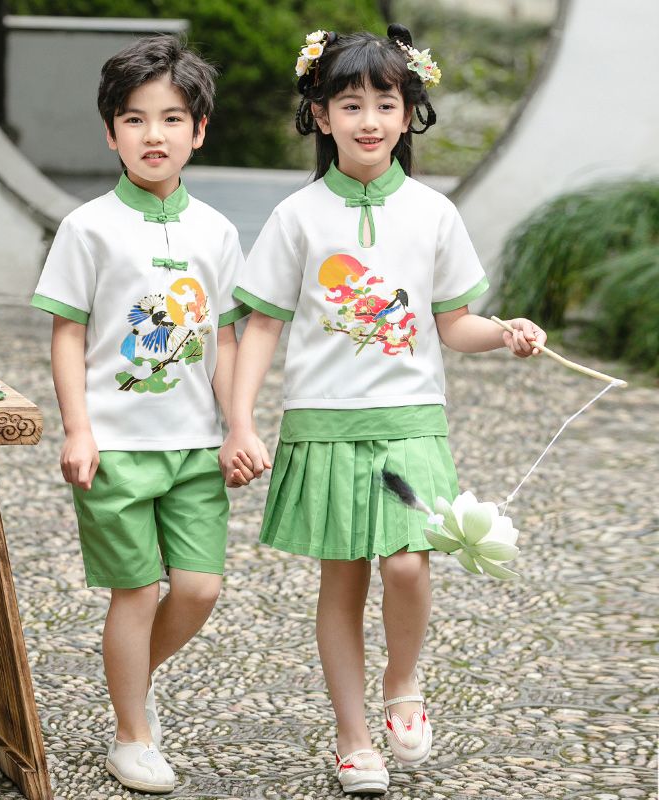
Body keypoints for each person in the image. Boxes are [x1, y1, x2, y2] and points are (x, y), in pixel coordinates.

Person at [220, 24, 546, 795]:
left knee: (406, 564)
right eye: (349, 102)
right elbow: (259, 323)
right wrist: (241, 421)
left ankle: (404, 684)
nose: (368, 119)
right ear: (320, 114)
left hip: (410, 422)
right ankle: (353, 736)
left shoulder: (434, 213)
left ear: (409, 116)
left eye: (384, 102)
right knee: (343, 583)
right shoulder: (298, 216)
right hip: (324, 423)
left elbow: (454, 323)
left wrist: (503, 334)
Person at [31, 35, 249, 794]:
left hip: (195, 444)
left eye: (171, 118)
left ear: (199, 130)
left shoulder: (218, 232)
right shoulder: (88, 227)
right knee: (137, 590)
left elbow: (224, 338)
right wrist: (79, 428)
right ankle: (133, 732)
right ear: (110, 131)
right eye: (134, 119)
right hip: (116, 446)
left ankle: (127, 676)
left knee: (198, 589)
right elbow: (66, 333)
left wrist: (241, 427)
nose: (153, 135)